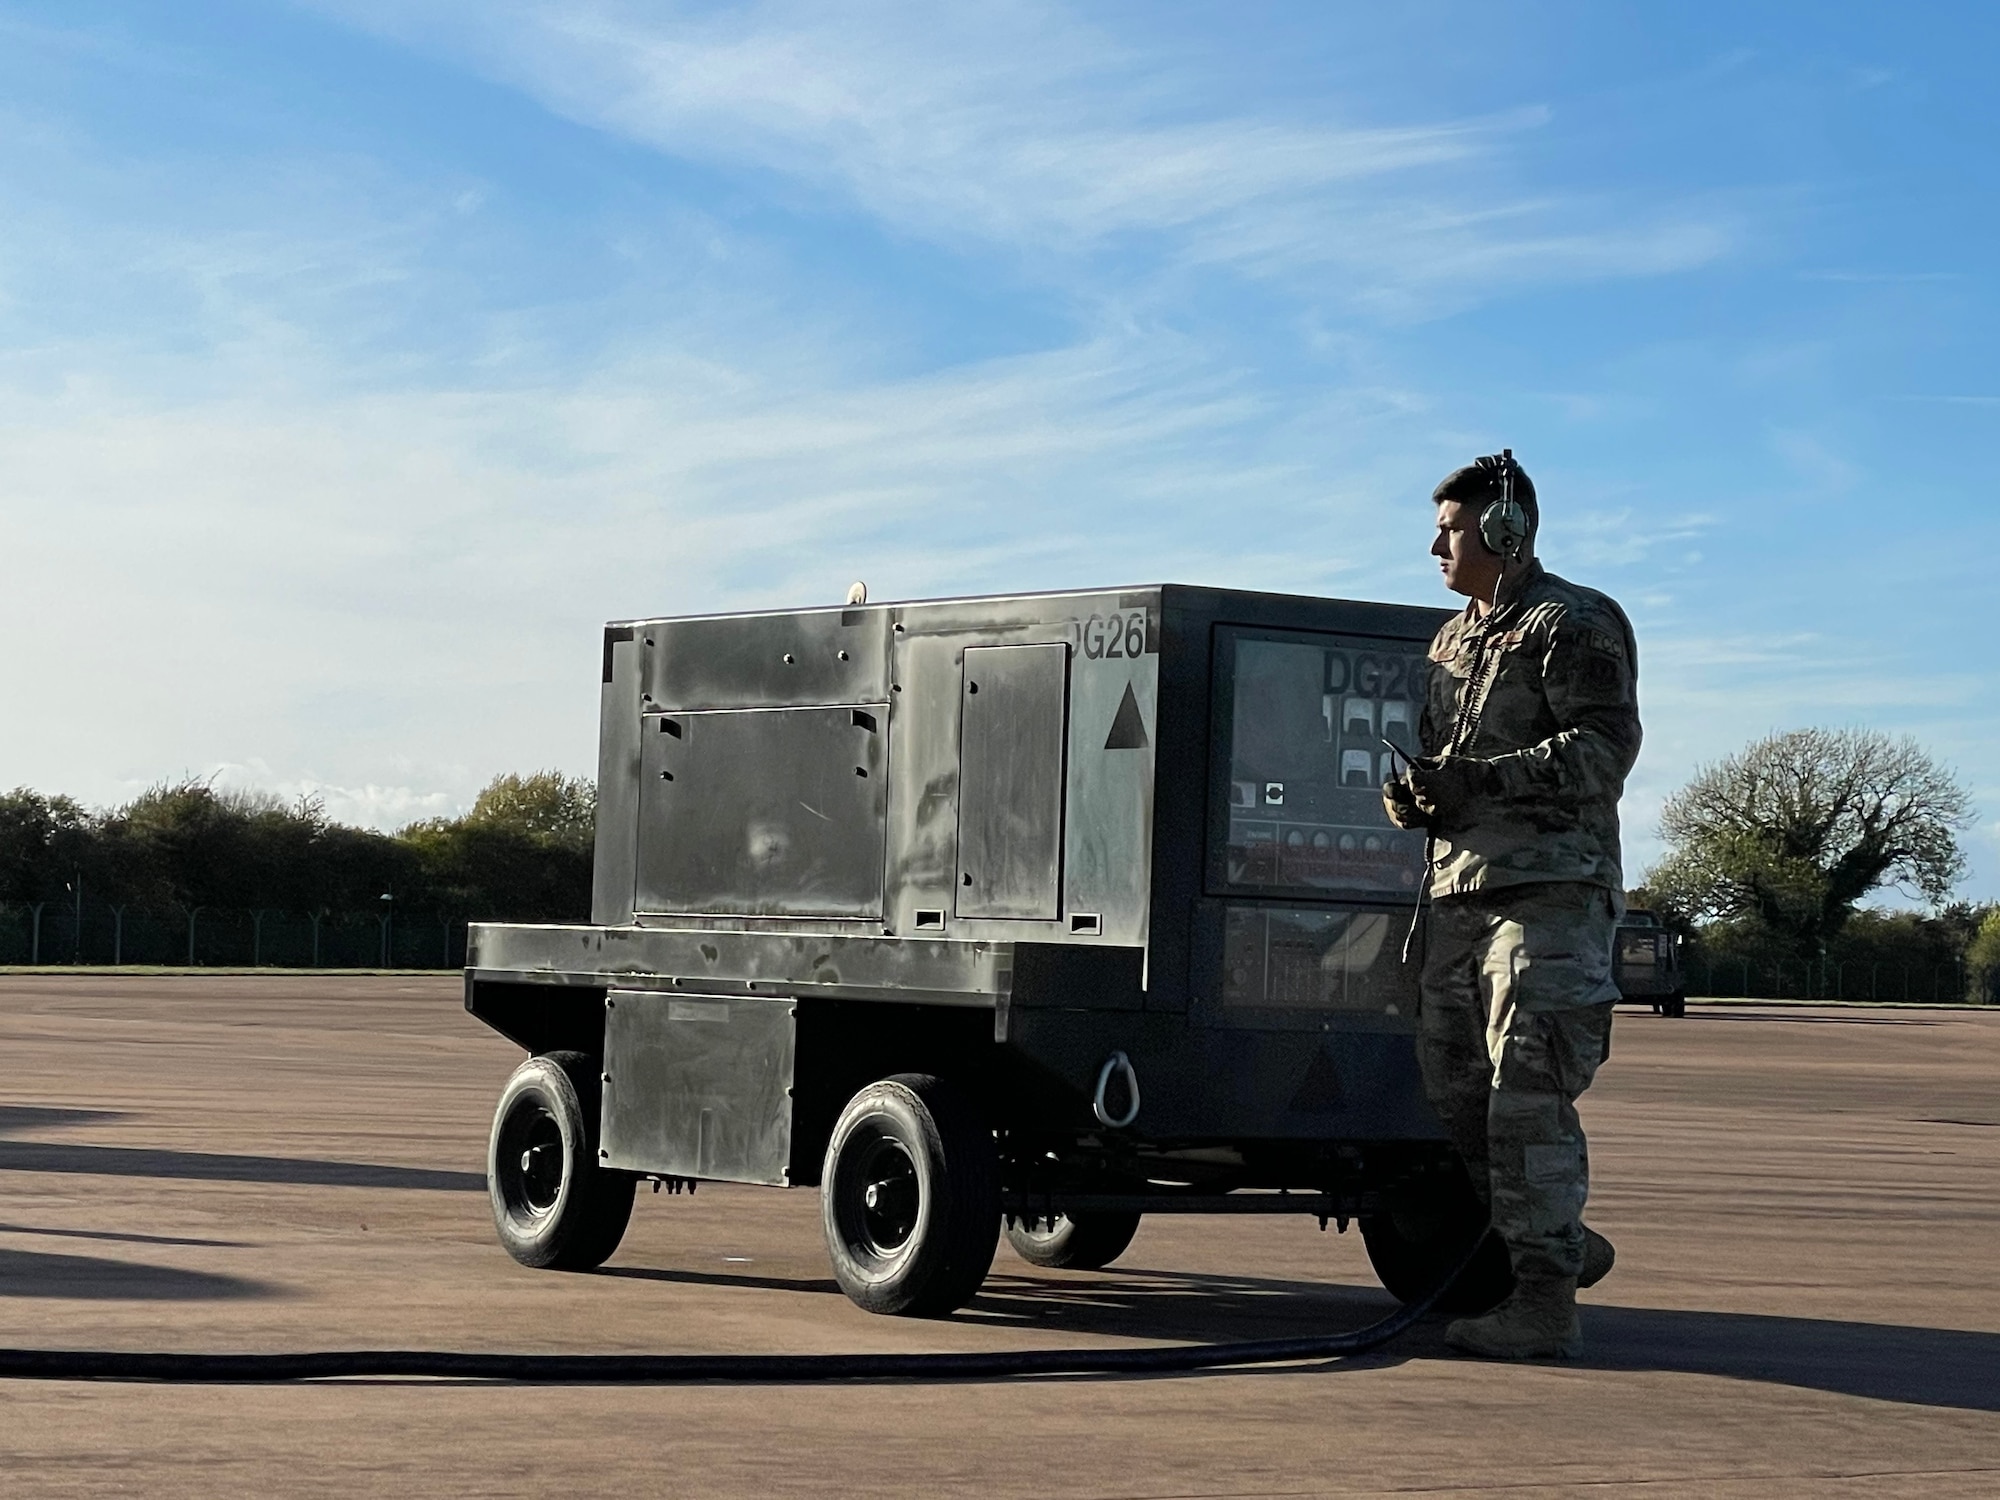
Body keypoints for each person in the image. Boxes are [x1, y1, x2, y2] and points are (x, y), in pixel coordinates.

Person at [1382, 452, 1641, 1360]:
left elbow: (1604, 750)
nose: (1434, 546)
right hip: (1458, 896)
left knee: (1526, 1092)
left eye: (1449, 529)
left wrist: (1480, 784)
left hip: (1549, 899)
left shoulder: (1574, 623)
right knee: (1457, 1092)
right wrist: (1414, 797)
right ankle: (1559, 1240)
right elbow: (1433, 759)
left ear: (1505, 529)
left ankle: (1543, 1303)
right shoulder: (1451, 643)